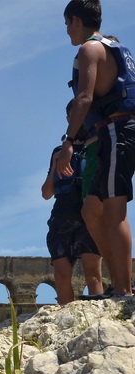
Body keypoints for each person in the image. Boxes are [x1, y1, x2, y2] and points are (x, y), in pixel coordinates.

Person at [56, 0, 135, 297]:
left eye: (67, 24)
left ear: (76, 20)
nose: (66, 31)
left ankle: (125, 292)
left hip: (118, 130)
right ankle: (119, 281)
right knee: (92, 209)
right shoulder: (116, 48)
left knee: (115, 210)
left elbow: (85, 98)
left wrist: (68, 142)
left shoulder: (90, 49)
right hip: (109, 133)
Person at [41, 100, 103, 303]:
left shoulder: (98, 144)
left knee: (92, 273)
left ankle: (97, 320)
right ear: (69, 119)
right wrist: (54, 164)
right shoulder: (58, 151)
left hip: (89, 212)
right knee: (60, 275)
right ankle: (65, 320)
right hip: (63, 212)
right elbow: (46, 193)